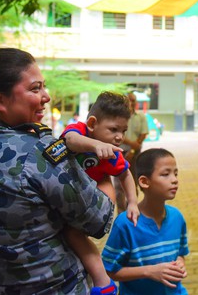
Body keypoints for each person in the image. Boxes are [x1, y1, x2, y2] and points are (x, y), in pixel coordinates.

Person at [0, 48, 115, 294]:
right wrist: (108, 170)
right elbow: (97, 219)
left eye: (43, 87)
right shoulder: (39, 152)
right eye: (35, 89)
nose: (46, 96)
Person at [61, 91, 140, 293]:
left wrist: (132, 202)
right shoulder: (79, 130)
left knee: (75, 235)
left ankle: (103, 282)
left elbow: (125, 175)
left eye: (123, 130)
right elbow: (70, 140)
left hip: (83, 203)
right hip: (62, 194)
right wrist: (96, 145)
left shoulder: (112, 153)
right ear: (92, 123)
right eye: (113, 129)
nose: (120, 137)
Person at [102, 148, 189, 294]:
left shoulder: (177, 217)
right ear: (144, 182)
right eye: (165, 174)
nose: (174, 180)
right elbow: (108, 270)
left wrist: (180, 263)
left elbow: (180, 253)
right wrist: (148, 271)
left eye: (175, 173)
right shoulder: (126, 223)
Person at [115, 91, 149, 211]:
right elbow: (116, 134)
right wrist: (131, 144)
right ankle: (121, 213)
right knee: (118, 186)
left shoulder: (141, 117)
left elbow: (143, 133)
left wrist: (133, 150)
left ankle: (132, 210)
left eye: (134, 100)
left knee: (134, 183)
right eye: (129, 100)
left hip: (135, 155)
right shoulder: (118, 117)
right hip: (119, 153)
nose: (132, 103)